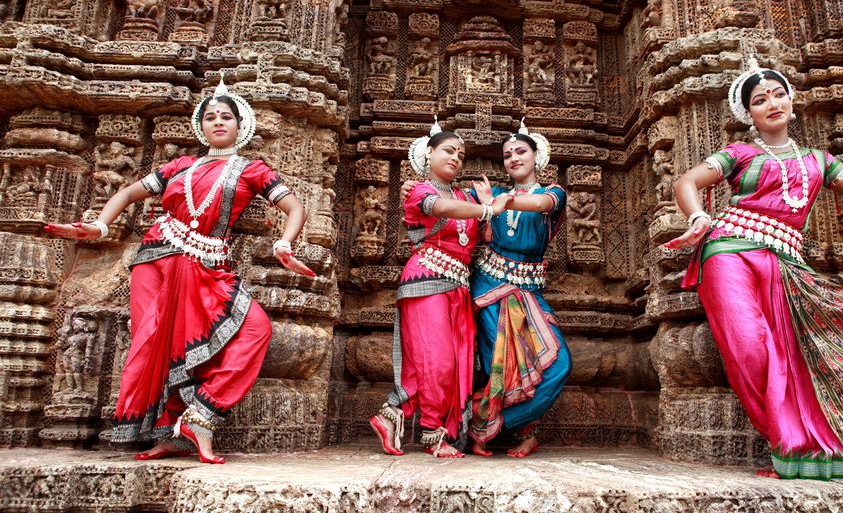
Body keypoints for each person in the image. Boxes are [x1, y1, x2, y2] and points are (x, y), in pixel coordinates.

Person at [666, 58, 843, 480]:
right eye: (759, 100)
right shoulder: (740, 153)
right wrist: (698, 218)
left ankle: (825, 448)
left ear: (792, 100)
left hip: (786, 261)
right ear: (747, 114)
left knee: (836, 337)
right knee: (750, 348)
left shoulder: (821, 161)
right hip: (728, 250)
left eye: (778, 94)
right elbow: (686, 182)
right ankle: (788, 444)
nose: (772, 103)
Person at [45, 78, 314, 464]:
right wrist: (100, 226)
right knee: (158, 344)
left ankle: (200, 415)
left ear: (241, 125)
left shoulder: (252, 169)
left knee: (256, 329)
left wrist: (284, 244)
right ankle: (173, 435)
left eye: (226, 117)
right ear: (200, 126)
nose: (218, 122)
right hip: (155, 258)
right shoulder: (180, 166)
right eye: (210, 117)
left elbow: (294, 208)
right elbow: (126, 193)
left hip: (207, 265)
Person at [370, 119, 511, 458]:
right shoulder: (420, 191)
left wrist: (487, 213)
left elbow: (484, 239)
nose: (455, 158)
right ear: (428, 153)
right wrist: (487, 208)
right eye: (448, 151)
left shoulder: (466, 195)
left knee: (448, 363)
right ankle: (433, 433)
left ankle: (391, 416)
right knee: (439, 362)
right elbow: (441, 209)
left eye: (460, 155)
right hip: (425, 280)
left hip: (458, 287)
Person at [469, 119, 570, 458]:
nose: (513, 158)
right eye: (507, 154)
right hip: (489, 286)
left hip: (529, 290)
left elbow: (541, 207)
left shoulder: (552, 193)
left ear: (536, 156)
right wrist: (416, 189)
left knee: (558, 365)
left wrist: (503, 204)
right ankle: (524, 434)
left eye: (520, 151)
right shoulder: (491, 195)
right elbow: (448, 204)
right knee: (502, 364)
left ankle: (483, 425)